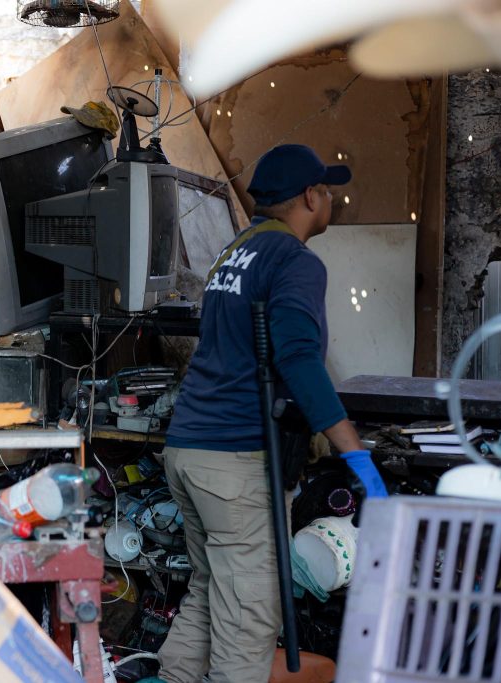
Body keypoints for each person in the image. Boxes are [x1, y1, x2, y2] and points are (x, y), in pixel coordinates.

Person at [154, 145, 385, 682]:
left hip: (189, 450)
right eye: (326, 190)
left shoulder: (234, 253)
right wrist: (359, 459)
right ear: (310, 196)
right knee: (250, 620)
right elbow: (300, 362)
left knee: (211, 592)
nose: (329, 198)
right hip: (235, 463)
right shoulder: (295, 261)